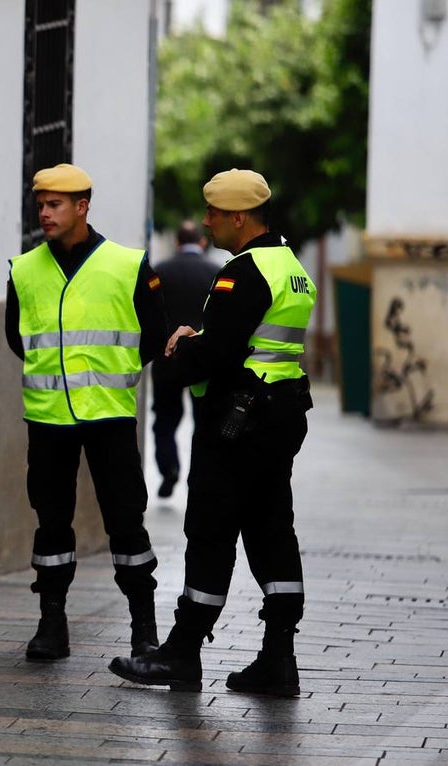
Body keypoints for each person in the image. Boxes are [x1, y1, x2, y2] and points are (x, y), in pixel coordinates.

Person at [109, 169, 316, 696]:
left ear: (239, 217)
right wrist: (207, 339)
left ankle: (181, 653)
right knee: (272, 530)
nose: (206, 222)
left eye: (215, 214)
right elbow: (251, 341)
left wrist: (181, 346)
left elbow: (219, 355)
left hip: (238, 422)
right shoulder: (290, 267)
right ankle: (278, 657)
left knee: (210, 529)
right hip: (280, 413)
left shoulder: (242, 274)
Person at [6, 163, 167, 662]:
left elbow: (154, 335)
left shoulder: (128, 263)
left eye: (55, 205)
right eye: (41, 205)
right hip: (48, 417)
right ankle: (51, 623)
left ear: (82, 206)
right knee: (51, 522)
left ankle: (145, 628)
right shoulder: (24, 268)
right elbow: (17, 337)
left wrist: (108, 371)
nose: (45, 214)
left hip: (110, 415)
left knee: (126, 520)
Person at [151, 222, 220, 498]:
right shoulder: (215, 272)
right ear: (202, 242)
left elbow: (152, 314)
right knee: (202, 420)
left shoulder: (161, 270)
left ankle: (169, 469)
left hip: (167, 358)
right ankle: (197, 478)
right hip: (202, 359)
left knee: (165, 419)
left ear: (178, 243)